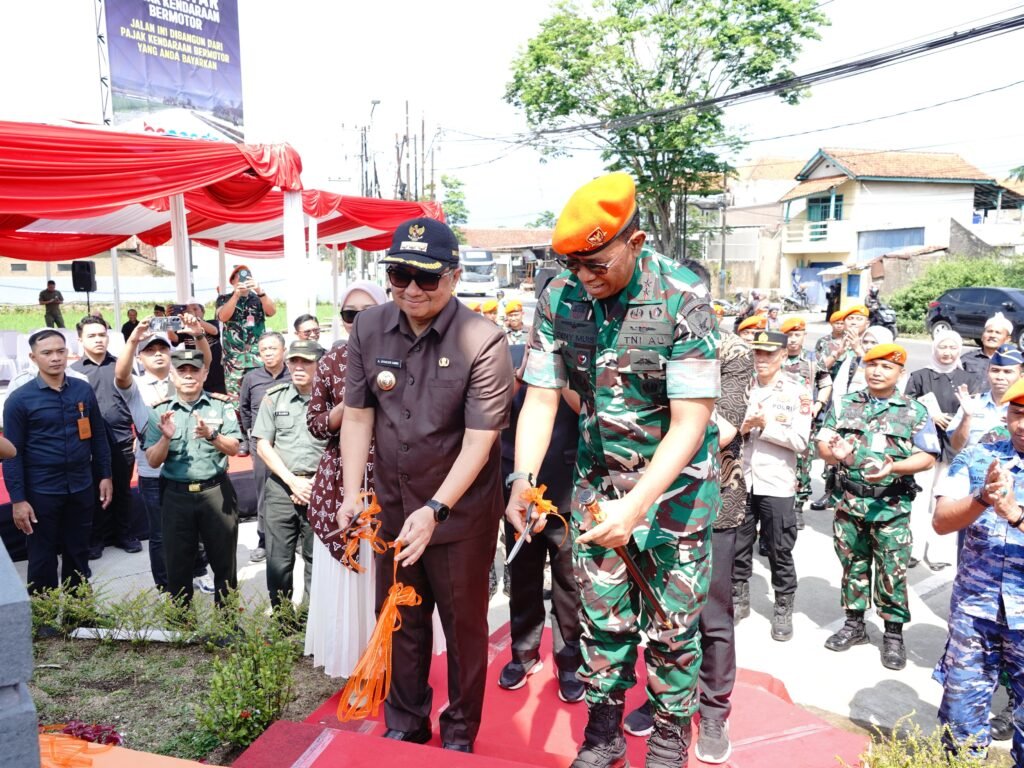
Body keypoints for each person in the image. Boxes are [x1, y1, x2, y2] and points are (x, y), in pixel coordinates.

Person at [506, 173, 720, 768]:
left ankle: (671, 738)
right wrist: (522, 478)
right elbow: (543, 398)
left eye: (596, 263)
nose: (585, 277)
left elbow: (690, 422)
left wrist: (640, 505)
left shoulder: (683, 298)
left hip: (675, 497)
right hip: (599, 490)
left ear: (636, 240)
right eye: (572, 265)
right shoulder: (560, 299)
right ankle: (602, 736)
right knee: (602, 618)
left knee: (673, 624)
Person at [339, 218, 513, 752]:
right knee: (399, 620)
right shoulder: (368, 328)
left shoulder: (483, 340)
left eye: (427, 278)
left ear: (455, 277)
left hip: (459, 518)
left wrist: (437, 507)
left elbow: (480, 440)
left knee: (462, 631)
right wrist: (352, 493)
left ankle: (459, 732)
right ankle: (406, 721)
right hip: (394, 510)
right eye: (399, 274)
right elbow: (357, 417)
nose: (412, 288)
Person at [626, 277, 752, 765]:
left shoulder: (732, 351)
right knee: (661, 613)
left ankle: (714, 710)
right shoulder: (643, 339)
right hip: (652, 504)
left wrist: (648, 454)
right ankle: (664, 703)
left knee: (712, 616)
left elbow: (723, 427)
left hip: (714, 503)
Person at [817, 344, 940, 670]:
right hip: (849, 503)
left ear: (900, 372)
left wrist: (894, 468)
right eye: (872, 365)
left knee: (892, 573)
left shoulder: (914, 411)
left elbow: (928, 457)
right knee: (853, 566)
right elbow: (822, 443)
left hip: (891, 506)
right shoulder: (844, 404)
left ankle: (893, 636)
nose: (877, 371)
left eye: (887, 366)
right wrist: (835, 454)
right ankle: (854, 625)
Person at [932, 377, 1024, 764]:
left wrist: (1014, 515)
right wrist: (982, 499)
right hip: (975, 610)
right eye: (1017, 413)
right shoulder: (977, 459)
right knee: (961, 716)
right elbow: (940, 520)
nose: (1022, 424)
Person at [305, 281, 389, 677]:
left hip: (393, 478)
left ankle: (394, 661)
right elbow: (317, 425)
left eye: (366, 313)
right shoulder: (332, 360)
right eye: (349, 314)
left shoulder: (404, 352)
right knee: (350, 578)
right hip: (342, 481)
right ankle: (355, 664)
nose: (357, 322)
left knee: (388, 571)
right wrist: (349, 403)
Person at [497, 341, 584, 704]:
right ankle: (523, 652)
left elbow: (590, 413)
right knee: (522, 577)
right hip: (518, 491)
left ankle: (569, 660)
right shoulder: (511, 354)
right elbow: (493, 413)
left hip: (567, 489)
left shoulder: (580, 354)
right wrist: (518, 378)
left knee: (568, 585)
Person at [3, 329, 112, 592]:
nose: (55, 358)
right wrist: (18, 500)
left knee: (78, 552)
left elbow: (98, 437)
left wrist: (105, 475)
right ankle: (45, 622)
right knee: (42, 557)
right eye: (47, 353)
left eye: (60, 351)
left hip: (81, 486)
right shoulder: (19, 400)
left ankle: (79, 617)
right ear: (33, 357)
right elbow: (11, 455)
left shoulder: (82, 391)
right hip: (41, 491)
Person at [115, 317, 214, 594]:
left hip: (187, 467)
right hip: (153, 471)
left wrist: (199, 336)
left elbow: (205, 364)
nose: (158, 354)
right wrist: (134, 338)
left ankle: (198, 572)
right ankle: (165, 583)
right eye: (149, 350)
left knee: (195, 528)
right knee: (160, 534)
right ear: (140, 357)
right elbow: (120, 375)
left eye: (162, 348)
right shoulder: (136, 386)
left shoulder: (182, 377)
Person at [144, 348, 242, 606]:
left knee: (224, 562)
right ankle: (182, 623)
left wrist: (212, 435)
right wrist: (166, 436)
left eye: (194, 370)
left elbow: (235, 447)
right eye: (182, 371)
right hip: (176, 495)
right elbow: (153, 461)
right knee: (177, 563)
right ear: (172, 375)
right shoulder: (160, 411)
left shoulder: (221, 405)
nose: (188, 376)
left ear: (205, 373)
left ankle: (227, 623)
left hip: (216, 492)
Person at [734, 330, 811, 643]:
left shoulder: (796, 392)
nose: (761, 359)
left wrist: (766, 427)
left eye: (768, 354)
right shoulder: (740, 387)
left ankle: (783, 604)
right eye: (757, 353)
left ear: (782, 356)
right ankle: (739, 597)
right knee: (739, 544)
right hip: (742, 479)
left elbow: (802, 442)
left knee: (779, 547)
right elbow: (722, 429)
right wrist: (744, 427)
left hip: (776, 482)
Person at [252, 340, 326, 610]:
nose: (298, 367)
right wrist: (293, 482)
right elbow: (262, 445)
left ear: (321, 364)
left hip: (320, 488)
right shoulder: (275, 397)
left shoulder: (333, 401)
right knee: (279, 560)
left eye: (305, 361)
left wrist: (315, 483)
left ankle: (311, 620)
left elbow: (342, 447)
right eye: (294, 361)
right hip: (282, 487)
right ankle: (283, 619)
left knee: (316, 559)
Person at [904, 329, 983, 569]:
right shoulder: (919, 376)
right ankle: (913, 549)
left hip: (954, 446)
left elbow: (975, 410)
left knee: (946, 499)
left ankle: (938, 553)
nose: (947, 353)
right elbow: (906, 407)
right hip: (924, 446)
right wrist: (929, 414)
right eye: (942, 347)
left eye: (952, 348)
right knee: (918, 499)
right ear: (934, 349)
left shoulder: (968, 379)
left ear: (959, 350)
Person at [70, 315, 142, 558]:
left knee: (122, 489)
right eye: (91, 336)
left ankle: (124, 534)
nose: (98, 340)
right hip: (87, 444)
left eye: (102, 335)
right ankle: (96, 538)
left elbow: (135, 401)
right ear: (80, 340)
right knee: (92, 492)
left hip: (122, 439)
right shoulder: (73, 373)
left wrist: (136, 433)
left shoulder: (121, 366)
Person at [239, 332, 290, 562]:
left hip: (290, 444)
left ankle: (294, 539)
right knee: (263, 493)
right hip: (262, 445)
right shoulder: (251, 378)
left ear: (283, 350)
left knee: (291, 489)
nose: (268, 353)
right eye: (264, 350)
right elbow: (245, 409)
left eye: (273, 348)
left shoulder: (294, 374)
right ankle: (263, 540)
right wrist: (250, 437)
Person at [781, 317, 832, 527]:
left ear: (804, 336)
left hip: (804, 422)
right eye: (788, 335)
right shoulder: (776, 356)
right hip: (779, 418)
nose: (792, 340)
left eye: (797, 335)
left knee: (803, 463)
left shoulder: (813, 359)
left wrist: (818, 404)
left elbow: (825, 383)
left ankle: (798, 506)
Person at [215, 264, 277, 399]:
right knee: (235, 400)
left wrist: (260, 291)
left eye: (247, 275)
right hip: (234, 360)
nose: (244, 278)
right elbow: (222, 317)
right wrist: (236, 296)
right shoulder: (224, 299)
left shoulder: (259, 298)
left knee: (260, 397)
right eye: (240, 276)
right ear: (232, 281)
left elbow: (271, 311)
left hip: (257, 359)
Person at [949, 344, 1023, 453]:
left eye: (1008, 372)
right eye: (995, 370)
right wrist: (966, 417)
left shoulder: (1020, 409)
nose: (1000, 377)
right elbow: (956, 446)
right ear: (987, 373)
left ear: (1021, 376)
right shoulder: (972, 403)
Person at [961, 312, 1013, 377]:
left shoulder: (1013, 361)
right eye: (989, 331)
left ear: (1007, 339)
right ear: (982, 336)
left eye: (998, 333)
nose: (992, 335)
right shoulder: (967, 359)